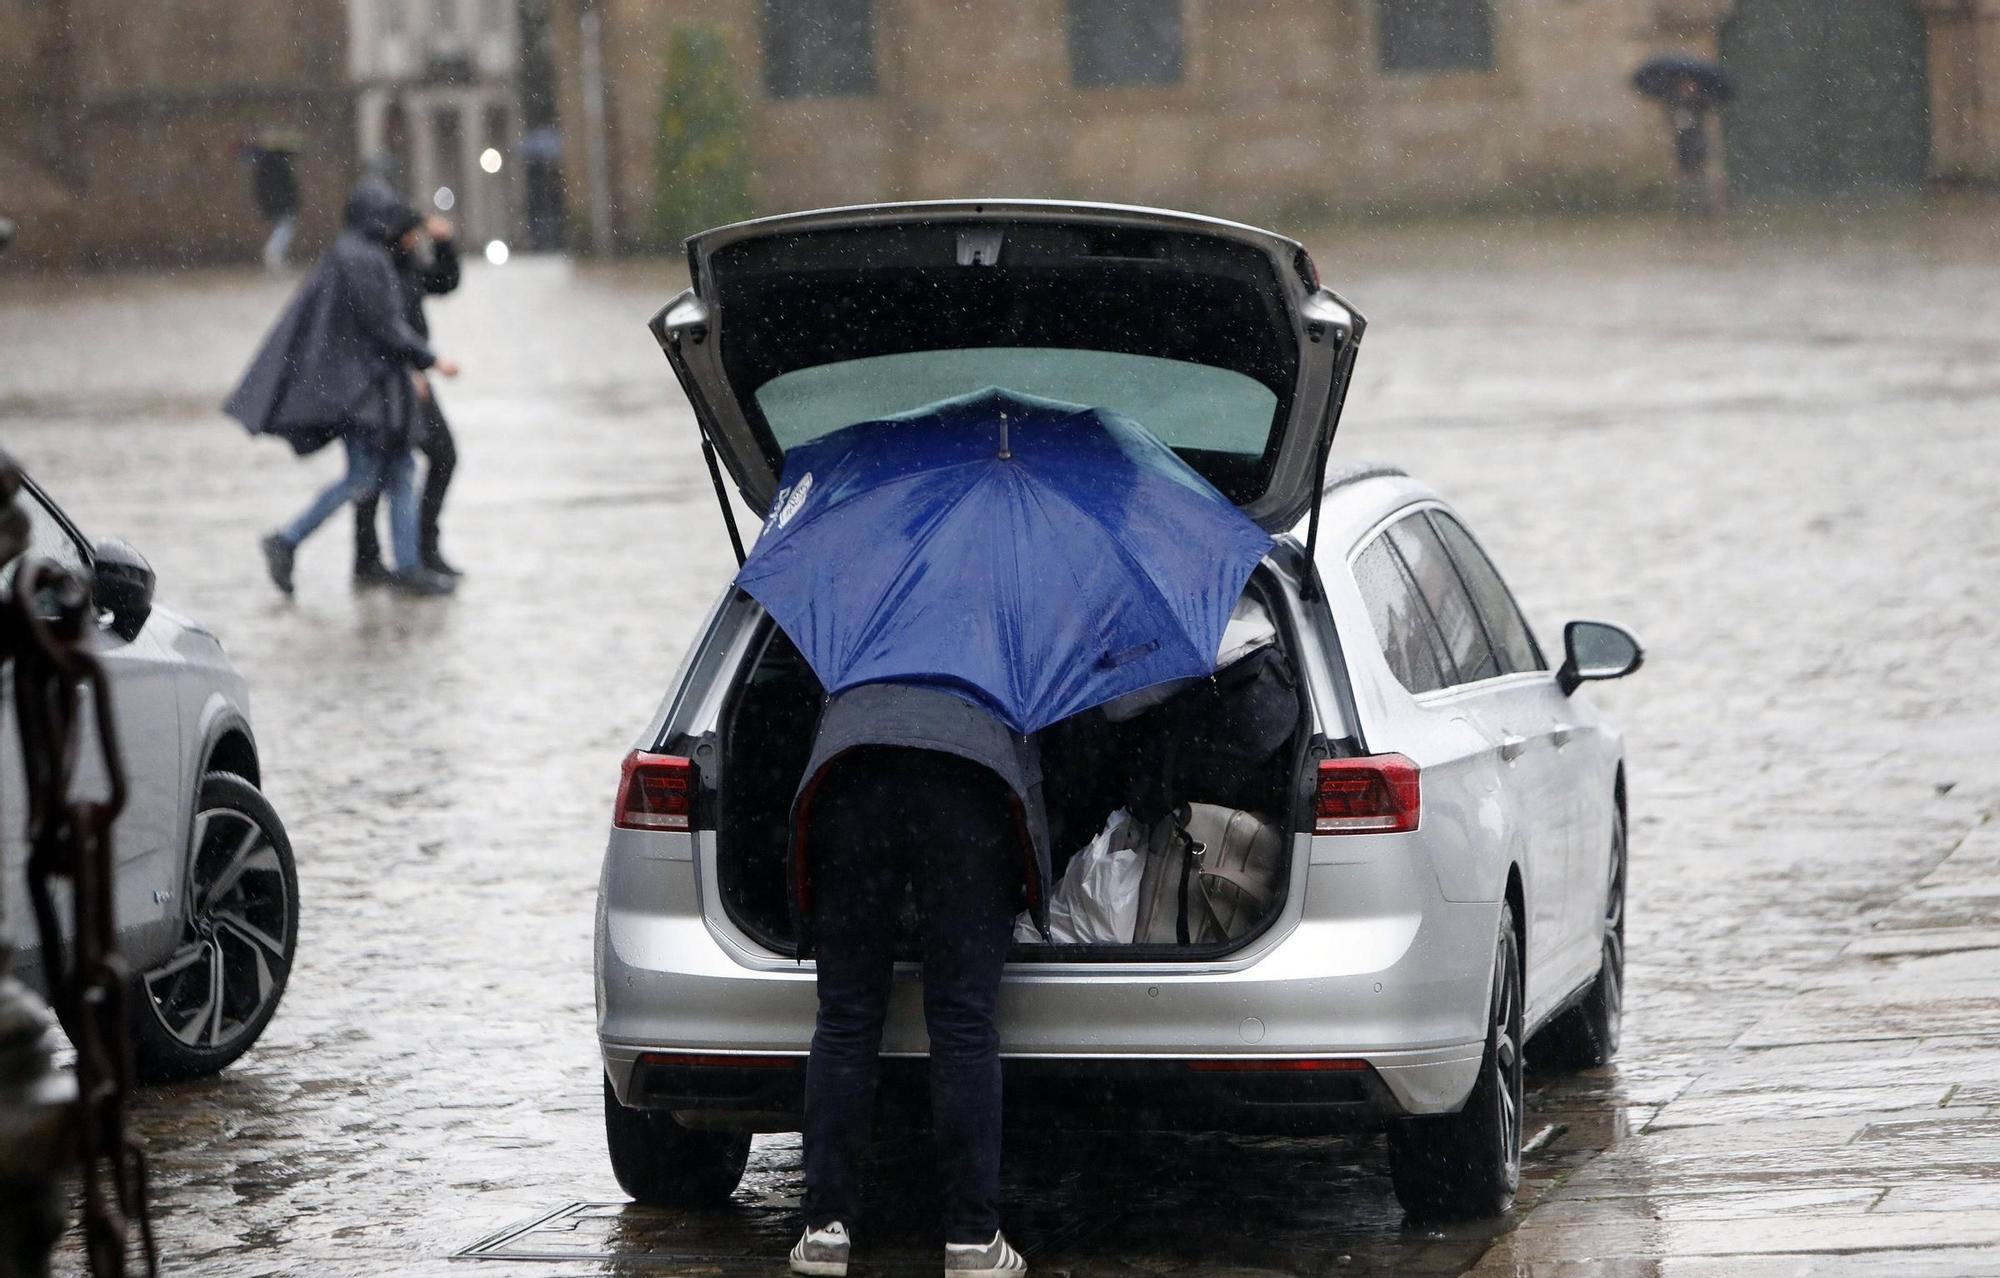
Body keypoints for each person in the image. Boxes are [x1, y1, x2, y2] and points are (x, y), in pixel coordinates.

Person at [786, 684, 1039, 1278]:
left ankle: (826, 1230)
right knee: (963, 1024)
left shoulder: (860, 613)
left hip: (852, 776)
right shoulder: (1003, 628)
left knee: (846, 1018)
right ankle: (973, 1242)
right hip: (969, 785)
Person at [224, 180, 461, 598]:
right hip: (367, 390)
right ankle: (289, 539)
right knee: (364, 477)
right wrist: (428, 360)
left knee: (400, 469)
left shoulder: (354, 254)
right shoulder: (362, 258)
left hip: (374, 386)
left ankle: (407, 566)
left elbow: (425, 292)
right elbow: (383, 325)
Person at [353, 209, 463, 584]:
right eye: (413, 231)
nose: (418, 237)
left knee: (415, 462)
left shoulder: (406, 264)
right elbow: (384, 329)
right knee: (375, 468)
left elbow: (445, 281)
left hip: (410, 374)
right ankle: (374, 559)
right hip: (390, 380)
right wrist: (416, 365)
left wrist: (445, 243)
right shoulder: (374, 268)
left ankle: (416, 549)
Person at [1669, 78, 1723, 218]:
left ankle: (1705, 207)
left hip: (1697, 142)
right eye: (1685, 86)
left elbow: (1707, 110)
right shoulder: (1676, 102)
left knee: (1700, 174)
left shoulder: (1700, 101)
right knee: (1685, 176)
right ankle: (1686, 207)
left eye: (1691, 86)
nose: (1688, 89)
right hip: (1683, 143)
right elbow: (1674, 121)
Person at [243, 141, 301, 271]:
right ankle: (273, 254)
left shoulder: (266, 164)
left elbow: (262, 187)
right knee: (285, 229)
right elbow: (287, 186)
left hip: (274, 203)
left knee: (283, 228)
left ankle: (275, 256)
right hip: (282, 204)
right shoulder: (279, 165)